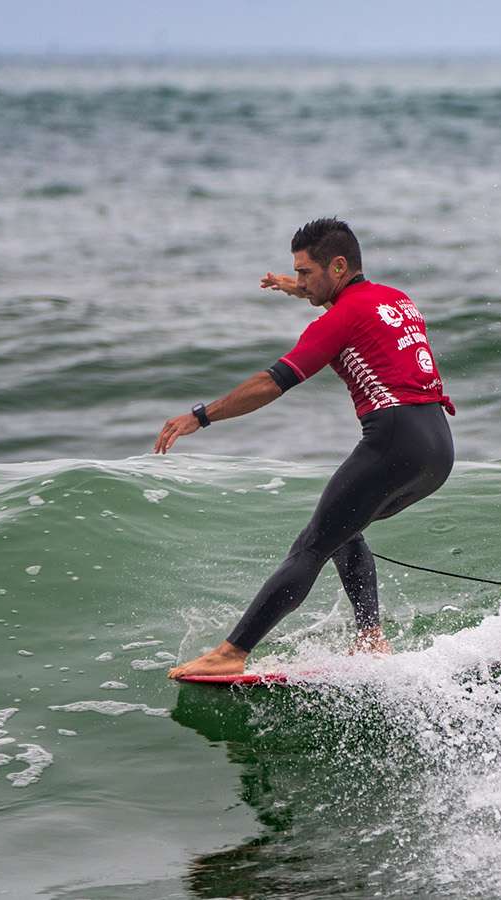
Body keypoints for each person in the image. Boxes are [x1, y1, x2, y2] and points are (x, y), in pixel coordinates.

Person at [158, 218, 455, 678]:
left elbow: (270, 384)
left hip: (393, 438)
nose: (299, 282)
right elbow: (347, 300)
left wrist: (199, 416)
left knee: (312, 545)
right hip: (437, 449)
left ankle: (232, 652)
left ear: (337, 267)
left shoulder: (338, 320)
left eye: (304, 273)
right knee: (344, 529)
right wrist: (296, 289)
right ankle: (371, 639)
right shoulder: (395, 299)